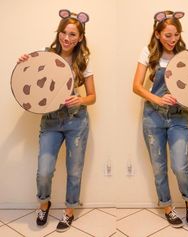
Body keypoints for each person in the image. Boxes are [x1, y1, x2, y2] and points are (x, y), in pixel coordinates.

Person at [133, 10, 188, 228]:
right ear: (157, 33)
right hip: (153, 118)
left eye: (176, 35)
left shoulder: (186, 54)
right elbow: (136, 86)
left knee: (180, 166)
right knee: (159, 167)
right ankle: (168, 208)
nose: (173, 40)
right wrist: (158, 99)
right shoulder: (147, 53)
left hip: (179, 117)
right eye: (168, 35)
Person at [18, 9, 96, 232]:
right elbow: (27, 78)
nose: (67, 38)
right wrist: (23, 62)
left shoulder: (83, 61)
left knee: (74, 170)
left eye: (73, 34)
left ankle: (70, 210)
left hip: (76, 122)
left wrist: (79, 100)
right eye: (64, 33)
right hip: (50, 122)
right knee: (44, 170)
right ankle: (44, 204)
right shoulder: (45, 55)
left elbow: (92, 97)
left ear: (80, 38)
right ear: (58, 33)